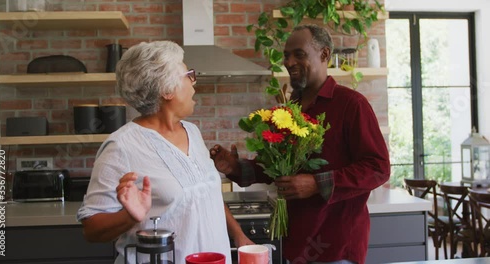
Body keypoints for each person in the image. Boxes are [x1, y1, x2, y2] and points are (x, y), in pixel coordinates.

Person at [210, 24, 390, 264]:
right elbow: (272, 168)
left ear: (324, 55)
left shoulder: (351, 105)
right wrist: (235, 168)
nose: (290, 61)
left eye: (299, 54)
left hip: (336, 247)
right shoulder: (287, 111)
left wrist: (317, 183)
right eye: (286, 55)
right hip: (294, 244)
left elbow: (378, 168)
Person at [77, 40, 252, 264]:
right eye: (188, 74)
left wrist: (238, 235)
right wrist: (130, 217)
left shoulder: (193, 132)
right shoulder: (121, 146)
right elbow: (91, 229)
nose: (194, 82)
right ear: (167, 90)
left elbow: (206, 197)